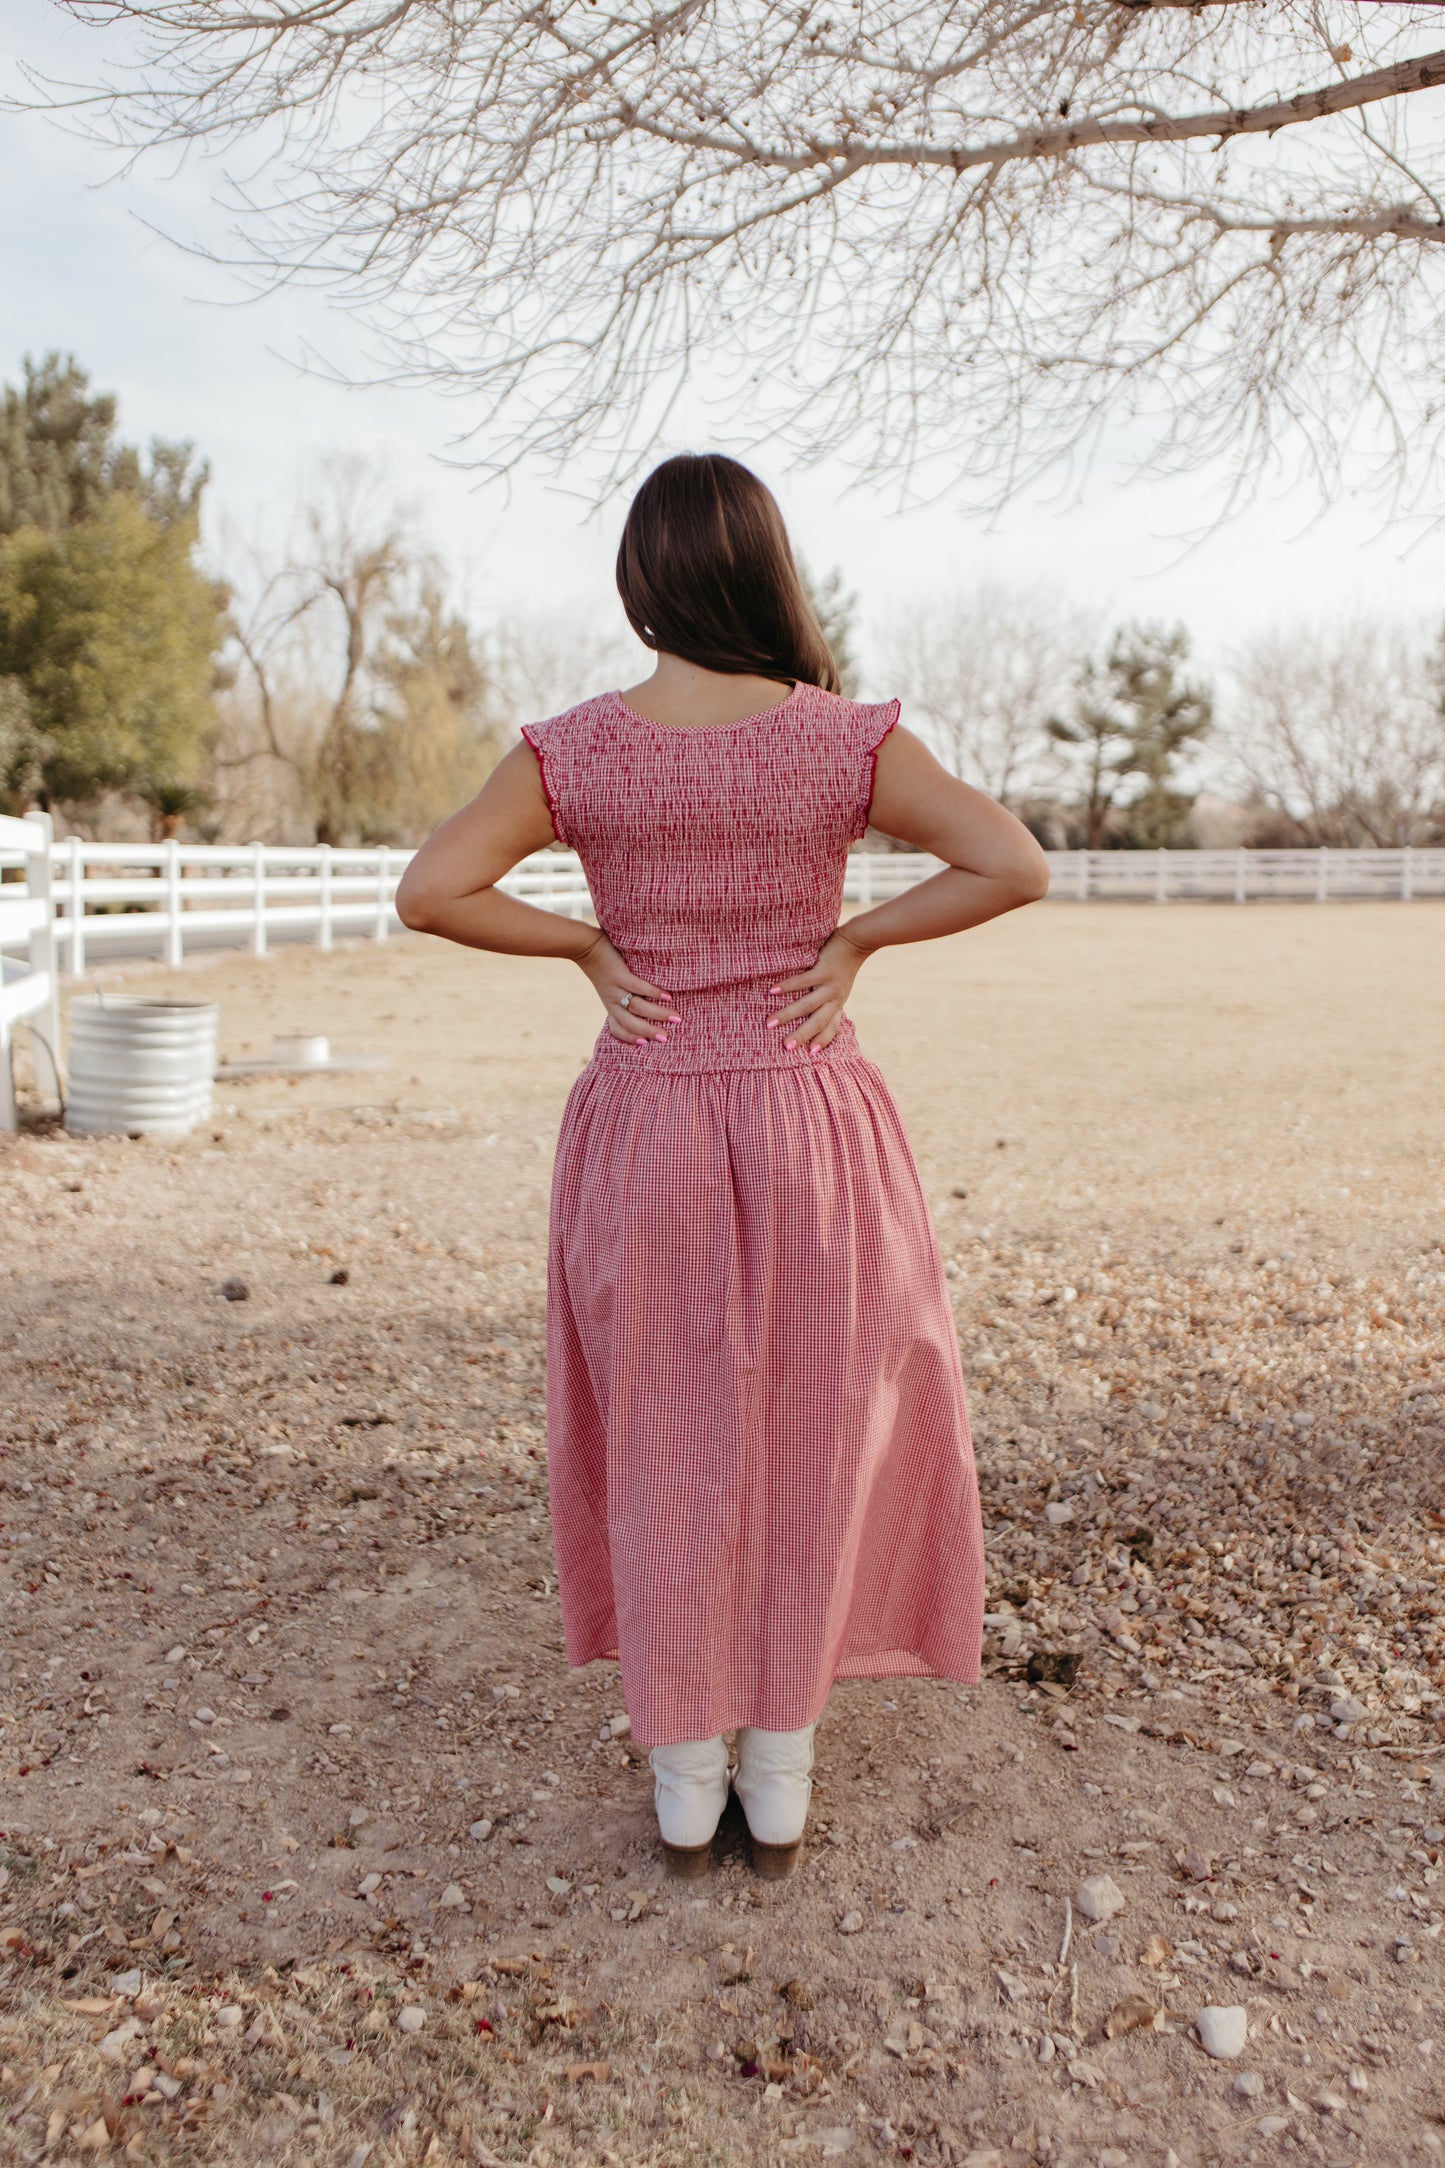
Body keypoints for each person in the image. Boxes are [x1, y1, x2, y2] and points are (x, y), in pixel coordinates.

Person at [395, 453, 1049, 1878]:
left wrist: (583, 944)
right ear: (766, 571)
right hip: (811, 1117)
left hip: (647, 1115)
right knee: (814, 1423)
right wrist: (858, 937)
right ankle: (782, 1771)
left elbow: (430, 889)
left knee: (665, 1430)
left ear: (640, 583)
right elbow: (1011, 862)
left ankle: (685, 1777)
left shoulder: (578, 749)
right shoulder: (842, 740)